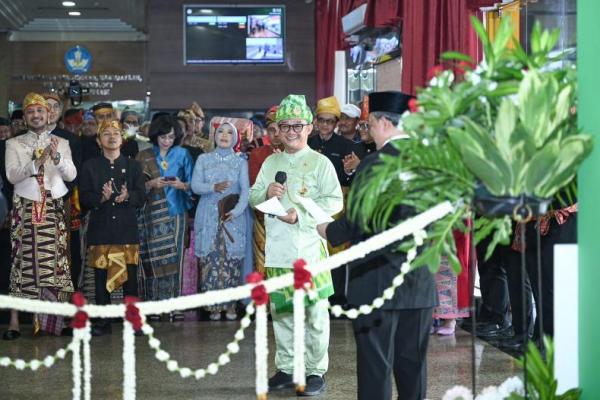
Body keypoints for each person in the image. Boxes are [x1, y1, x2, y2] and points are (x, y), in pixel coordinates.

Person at [317, 91, 437, 400]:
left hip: (376, 281)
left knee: (376, 367)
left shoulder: (376, 164)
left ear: (384, 122)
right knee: (413, 366)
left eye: (369, 124)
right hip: (419, 279)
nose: (366, 130)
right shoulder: (432, 163)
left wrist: (328, 229)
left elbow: (358, 219)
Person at [249, 94, 343, 396]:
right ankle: (288, 368)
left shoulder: (321, 163)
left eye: (297, 126)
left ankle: (316, 371)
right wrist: (267, 194)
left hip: (310, 251)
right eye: (285, 126)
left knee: (315, 314)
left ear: (309, 127)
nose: (291, 131)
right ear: (277, 128)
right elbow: (253, 197)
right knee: (283, 313)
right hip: (277, 251)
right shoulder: (271, 162)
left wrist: (299, 215)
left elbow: (334, 201)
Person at [3, 92, 77, 340]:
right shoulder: (13, 144)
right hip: (25, 206)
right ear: (25, 117)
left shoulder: (61, 142)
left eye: (40, 111)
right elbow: (12, 176)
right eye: (31, 112)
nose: (36, 115)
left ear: (48, 115)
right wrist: (37, 161)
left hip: (54, 206)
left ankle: (59, 320)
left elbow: (70, 175)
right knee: (21, 261)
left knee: (57, 261)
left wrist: (55, 156)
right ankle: (14, 321)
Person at [79, 120, 146, 336]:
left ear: (122, 139)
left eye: (115, 133)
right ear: (99, 141)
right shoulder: (89, 166)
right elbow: (85, 200)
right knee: (100, 277)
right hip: (101, 228)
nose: (111, 137)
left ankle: (134, 321)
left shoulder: (134, 166)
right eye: (106, 134)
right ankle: (102, 322)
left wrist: (128, 196)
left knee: (131, 278)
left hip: (126, 228)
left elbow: (141, 197)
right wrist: (102, 197)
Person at [308, 96, 365, 305]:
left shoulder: (348, 146)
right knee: (312, 251)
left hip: (336, 204)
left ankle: (336, 299)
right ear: (315, 121)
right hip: (310, 204)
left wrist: (351, 172)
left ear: (336, 123)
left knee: (336, 249)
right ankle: (313, 295)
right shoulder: (307, 144)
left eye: (329, 121)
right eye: (321, 120)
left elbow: (353, 179)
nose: (325, 125)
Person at [136, 115, 193, 320]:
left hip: (176, 211)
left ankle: (173, 305)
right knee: (151, 259)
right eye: (163, 137)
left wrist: (182, 185)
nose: (167, 141)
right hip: (149, 214)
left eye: (171, 137)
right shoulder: (143, 156)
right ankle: (152, 306)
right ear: (155, 136)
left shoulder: (183, 154)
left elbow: (193, 184)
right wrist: (151, 185)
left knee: (175, 258)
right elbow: (136, 188)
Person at [192, 122, 249, 321]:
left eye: (229, 132)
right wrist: (213, 187)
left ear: (235, 138)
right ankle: (213, 307)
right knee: (210, 259)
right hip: (208, 215)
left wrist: (237, 211)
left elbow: (245, 191)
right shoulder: (203, 159)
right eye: (220, 131)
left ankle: (231, 305)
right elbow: (195, 186)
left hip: (233, 217)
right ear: (214, 136)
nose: (224, 135)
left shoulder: (240, 161)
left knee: (231, 261)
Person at [43, 93, 84, 288]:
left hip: (62, 202)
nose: (50, 111)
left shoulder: (72, 140)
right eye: (45, 106)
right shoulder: (22, 139)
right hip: (30, 201)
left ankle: (67, 300)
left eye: (54, 107)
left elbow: (75, 175)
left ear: (59, 113)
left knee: (66, 251)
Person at [248, 110, 283, 274]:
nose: (276, 134)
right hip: (264, 219)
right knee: (263, 265)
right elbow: (255, 187)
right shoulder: (257, 154)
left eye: (280, 129)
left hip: (290, 216)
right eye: (271, 130)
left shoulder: (296, 153)